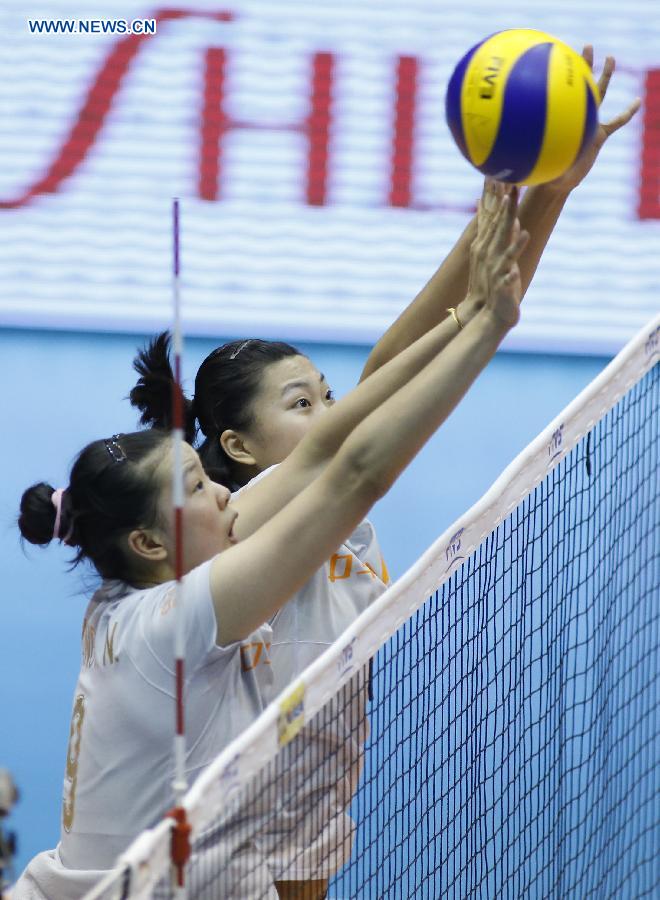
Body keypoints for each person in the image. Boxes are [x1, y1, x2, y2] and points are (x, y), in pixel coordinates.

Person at [129, 54, 638, 898]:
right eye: (303, 404)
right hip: (221, 837)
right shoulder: (240, 530)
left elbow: (459, 314)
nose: (333, 411)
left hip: (307, 808)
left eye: (328, 395)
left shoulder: (327, 513)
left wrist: (545, 189)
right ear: (241, 447)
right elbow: (432, 362)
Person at [14, 191, 526, 900]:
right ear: (148, 539)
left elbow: (322, 454)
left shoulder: (128, 591)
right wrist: (486, 328)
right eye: (198, 485)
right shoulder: (177, 622)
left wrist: (471, 317)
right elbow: (355, 471)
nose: (224, 492)